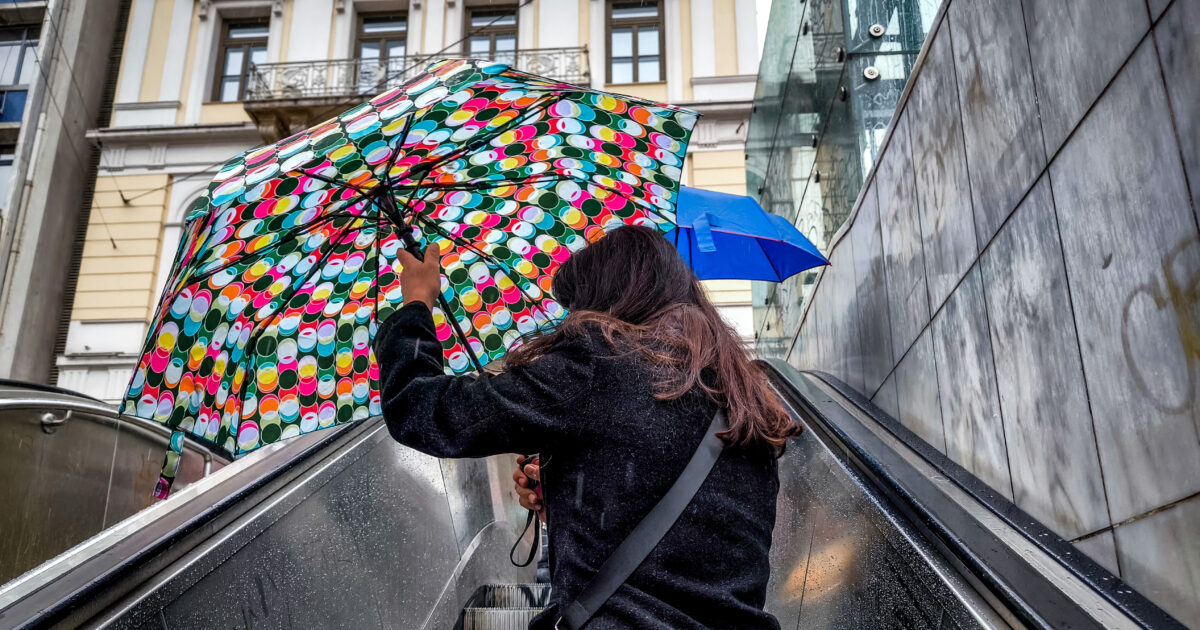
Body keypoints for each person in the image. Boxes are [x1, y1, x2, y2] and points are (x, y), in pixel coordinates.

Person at [374, 225, 799, 629]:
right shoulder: (744, 399)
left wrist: (416, 304)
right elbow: (700, 538)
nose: (572, 318)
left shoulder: (601, 361)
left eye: (578, 304)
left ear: (607, 299)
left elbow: (422, 411)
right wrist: (574, 495)